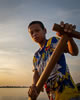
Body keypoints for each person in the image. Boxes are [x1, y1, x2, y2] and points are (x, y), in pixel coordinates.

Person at [28, 21, 80, 100]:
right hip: (52, 96)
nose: (34, 34)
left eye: (37, 31)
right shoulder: (36, 56)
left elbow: (74, 52)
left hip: (68, 93)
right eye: (31, 33)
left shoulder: (53, 41)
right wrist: (34, 85)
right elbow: (36, 73)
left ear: (45, 31)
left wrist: (69, 38)